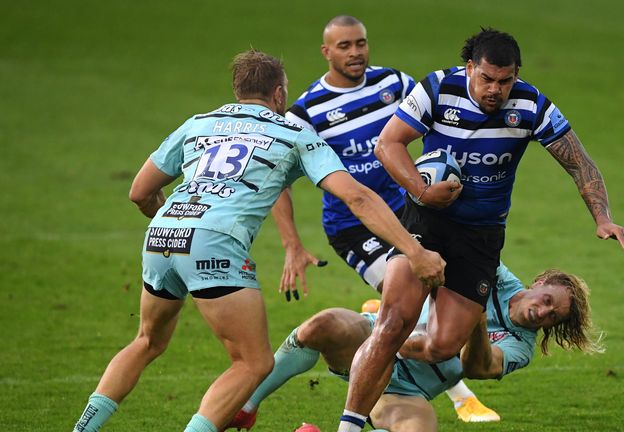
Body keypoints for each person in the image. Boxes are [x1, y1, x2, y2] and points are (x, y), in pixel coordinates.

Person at [70, 49, 445, 432]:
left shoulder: (198, 123)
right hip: (216, 242)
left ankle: (82, 427)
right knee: (253, 363)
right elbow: (357, 197)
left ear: (237, 90)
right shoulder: (294, 134)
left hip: (164, 233)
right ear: (279, 95)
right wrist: (414, 251)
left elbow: (139, 192)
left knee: (147, 341)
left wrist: (175, 222)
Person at [339, 28, 624, 432]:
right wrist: (422, 190)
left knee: (446, 345)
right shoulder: (437, 87)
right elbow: (388, 144)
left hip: (481, 236)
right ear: (471, 68)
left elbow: (580, 162)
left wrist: (602, 217)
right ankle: (349, 425)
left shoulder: (532, 104)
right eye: (487, 79)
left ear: (515, 75)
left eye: (505, 81)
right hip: (427, 221)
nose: (495, 91)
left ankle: (375, 353)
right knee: (393, 324)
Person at [270, 15, 499, 423]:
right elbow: (277, 182)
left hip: (405, 213)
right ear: (326, 52)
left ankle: (399, 353)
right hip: (353, 227)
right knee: (419, 293)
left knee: (431, 293)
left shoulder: (393, 83)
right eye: (344, 46)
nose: (355, 52)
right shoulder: (307, 111)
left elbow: (433, 117)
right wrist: (291, 244)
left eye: (360, 43)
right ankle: (460, 396)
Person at [226, 263, 602, 431]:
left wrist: (474, 320)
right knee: (323, 324)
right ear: (540, 282)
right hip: (376, 340)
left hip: (407, 390)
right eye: (549, 300)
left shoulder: (521, 347)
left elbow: (477, 367)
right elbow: (448, 256)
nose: (544, 313)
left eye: (554, 318)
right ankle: (246, 405)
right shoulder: (495, 274)